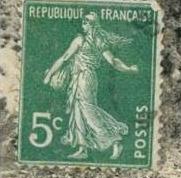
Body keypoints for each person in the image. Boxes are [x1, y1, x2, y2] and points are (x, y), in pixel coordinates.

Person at [43, 12, 138, 159]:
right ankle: (83, 149)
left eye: (85, 22)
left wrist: (49, 74)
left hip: (83, 78)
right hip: (86, 78)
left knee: (88, 110)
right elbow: (113, 61)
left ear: (91, 24)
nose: (83, 24)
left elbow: (65, 57)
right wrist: (128, 69)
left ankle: (114, 140)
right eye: (83, 21)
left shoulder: (80, 40)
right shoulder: (99, 41)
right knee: (78, 110)